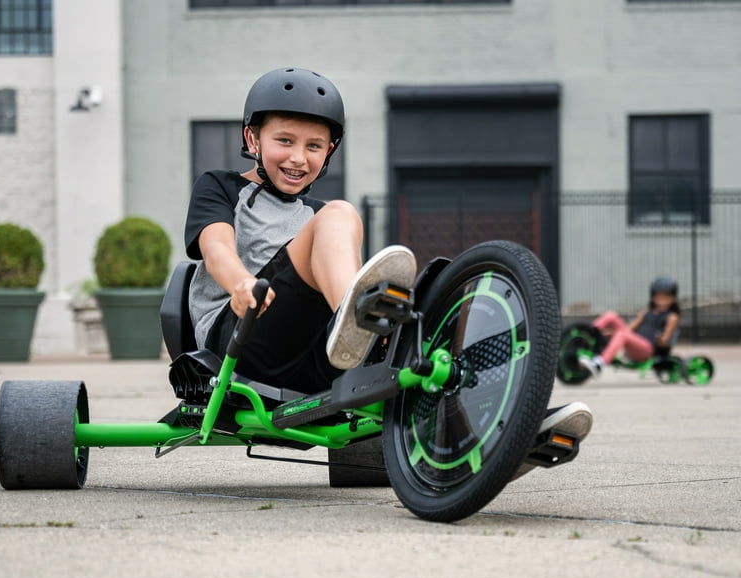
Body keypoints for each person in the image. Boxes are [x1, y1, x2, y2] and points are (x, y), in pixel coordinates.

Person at [185, 67, 593, 456]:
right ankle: (360, 321)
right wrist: (240, 283)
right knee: (340, 216)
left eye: (313, 146)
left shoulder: (316, 212)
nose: (298, 158)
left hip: (316, 357)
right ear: (252, 139)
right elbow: (216, 245)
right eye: (285, 141)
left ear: (328, 152)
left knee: (436, 297)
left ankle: (512, 419)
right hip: (241, 341)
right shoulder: (221, 186)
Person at [579, 276, 681, 377]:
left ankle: (598, 364)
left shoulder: (672, 317)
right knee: (611, 315)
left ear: (673, 298)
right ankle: (587, 339)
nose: (662, 301)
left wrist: (661, 339)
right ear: (653, 297)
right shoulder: (645, 312)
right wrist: (612, 335)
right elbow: (629, 329)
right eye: (659, 297)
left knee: (622, 335)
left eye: (666, 298)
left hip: (648, 350)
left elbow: (665, 342)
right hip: (635, 343)